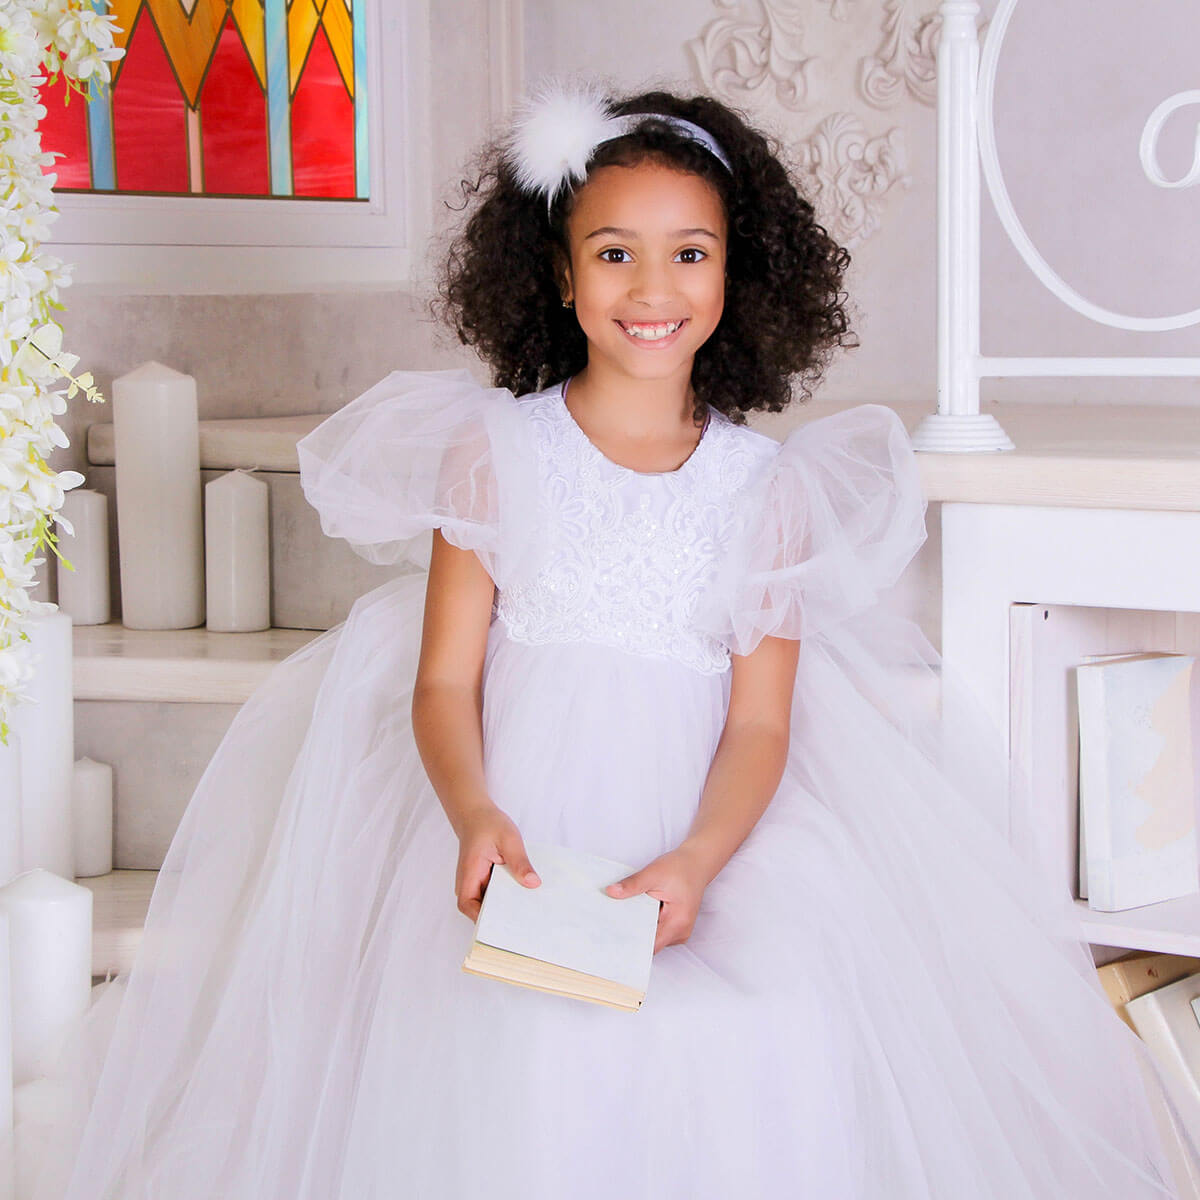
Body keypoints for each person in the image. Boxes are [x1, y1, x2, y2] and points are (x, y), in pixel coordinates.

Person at [21, 79, 1200, 1199]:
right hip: (524, 824)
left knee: (772, 1024)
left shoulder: (765, 487)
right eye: (614, 252)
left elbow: (760, 720)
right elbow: (442, 681)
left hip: (706, 833)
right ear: (561, 272)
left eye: (690, 252)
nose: (653, 286)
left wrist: (696, 860)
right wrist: (477, 813)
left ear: (738, 272)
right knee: (525, 1038)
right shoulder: (499, 451)